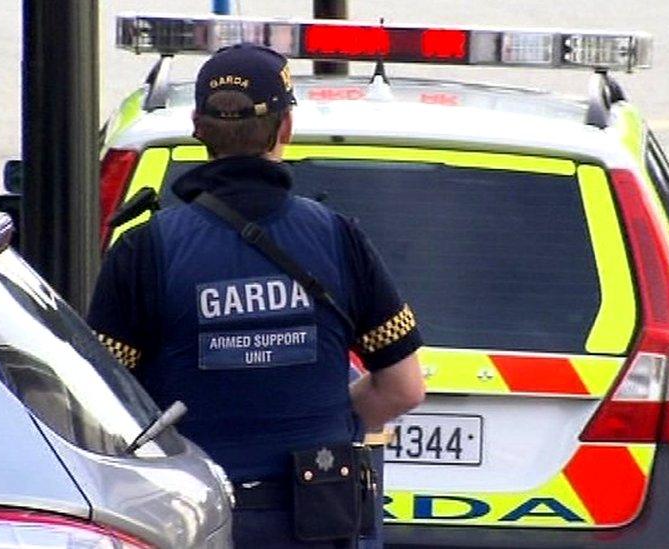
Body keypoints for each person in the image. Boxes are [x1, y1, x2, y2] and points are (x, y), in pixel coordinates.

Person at [87, 43, 425, 548]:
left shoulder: (144, 250)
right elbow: (403, 388)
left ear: (199, 127)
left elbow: (101, 404)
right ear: (284, 128)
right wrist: (332, 418)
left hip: (193, 519)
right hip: (317, 518)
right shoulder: (337, 236)